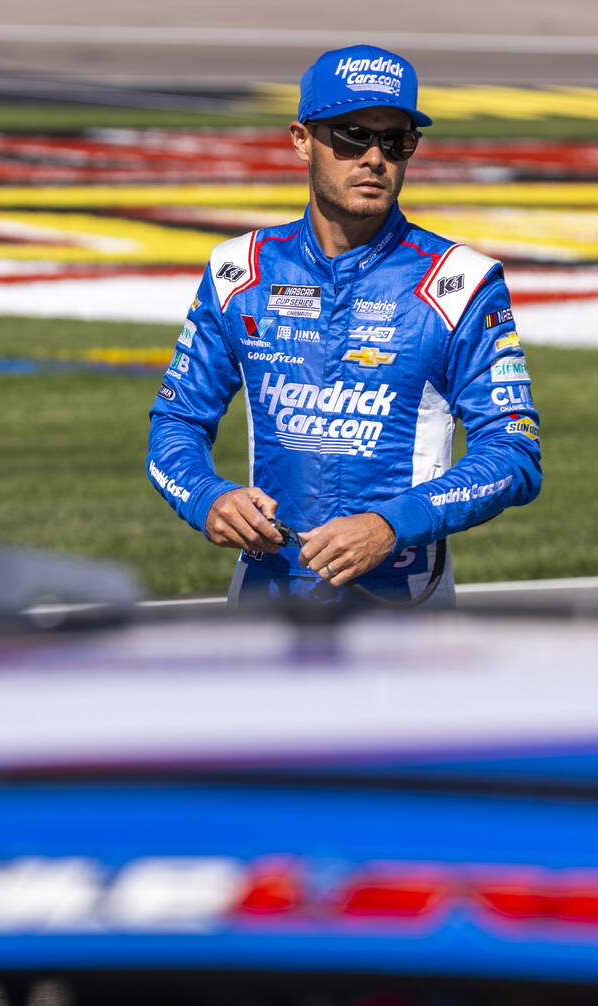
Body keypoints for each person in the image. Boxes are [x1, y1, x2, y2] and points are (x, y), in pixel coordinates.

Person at [147, 44, 541, 607]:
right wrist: (207, 497)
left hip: (404, 607)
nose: (375, 157)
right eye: (353, 135)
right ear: (301, 139)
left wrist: (392, 524)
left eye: (396, 139)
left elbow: (514, 453)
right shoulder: (239, 271)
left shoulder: (461, 282)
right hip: (267, 597)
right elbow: (175, 422)